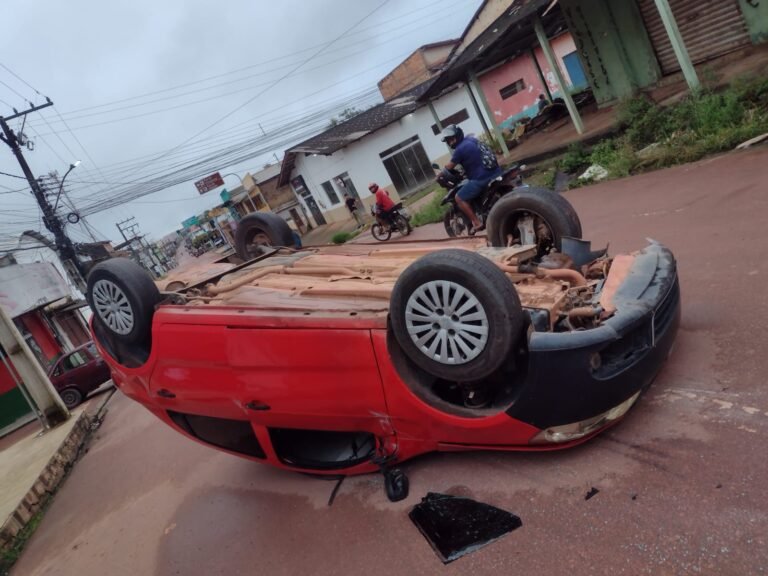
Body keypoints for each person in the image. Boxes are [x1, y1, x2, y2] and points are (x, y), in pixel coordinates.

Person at [441, 124, 502, 235]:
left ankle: (477, 222)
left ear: (457, 136)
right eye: (448, 141)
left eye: (451, 139)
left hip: (482, 178)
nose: (450, 142)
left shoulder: (459, 150)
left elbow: (449, 167)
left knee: (459, 197)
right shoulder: (472, 140)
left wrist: (438, 176)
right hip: (496, 172)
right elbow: (476, 158)